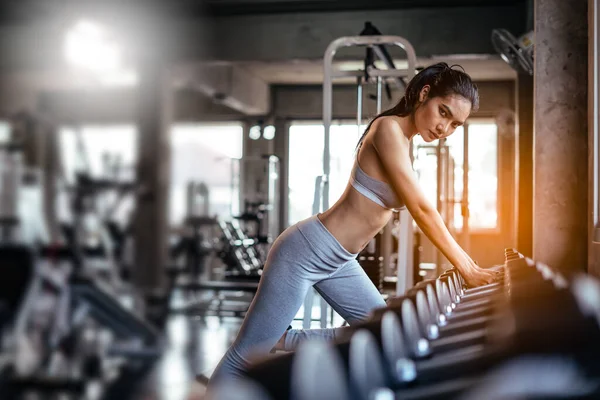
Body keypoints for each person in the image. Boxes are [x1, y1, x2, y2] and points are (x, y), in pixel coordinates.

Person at [207, 62, 499, 386]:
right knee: (244, 355)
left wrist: (471, 268)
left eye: (455, 124)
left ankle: (283, 340)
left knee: (385, 332)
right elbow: (422, 209)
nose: (445, 128)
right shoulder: (388, 128)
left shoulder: (407, 141)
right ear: (424, 94)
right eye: (443, 112)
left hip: (340, 261)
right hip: (305, 251)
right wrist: (468, 268)